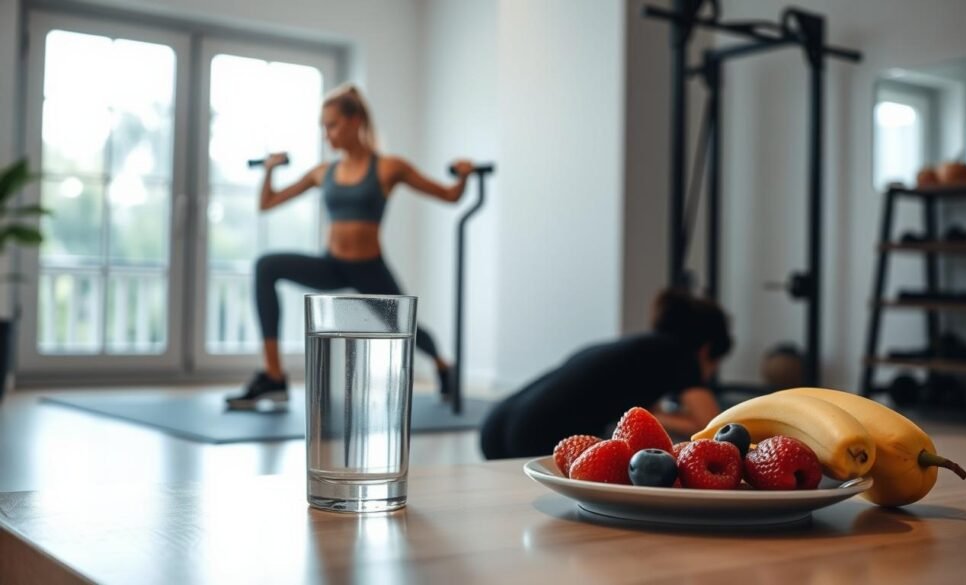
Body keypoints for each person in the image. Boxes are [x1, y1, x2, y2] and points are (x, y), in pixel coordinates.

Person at [227, 83, 474, 409]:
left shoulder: (388, 167)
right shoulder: (323, 172)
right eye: (323, 127)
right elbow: (268, 203)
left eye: (332, 125)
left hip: (369, 268)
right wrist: (269, 171)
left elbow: (450, 195)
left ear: (355, 120)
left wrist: (464, 175)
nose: (326, 134)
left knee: (405, 325)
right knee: (266, 266)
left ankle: (443, 366)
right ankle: (273, 376)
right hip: (331, 265)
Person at [479, 288, 732, 459]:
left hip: (497, 424)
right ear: (707, 349)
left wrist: (653, 413)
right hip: (535, 436)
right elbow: (712, 426)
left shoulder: (638, 348)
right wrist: (652, 415)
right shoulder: (681, 354)